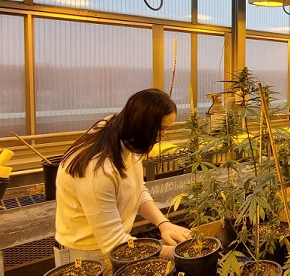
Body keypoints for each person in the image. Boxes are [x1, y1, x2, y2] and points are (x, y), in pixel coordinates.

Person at [54, 88, 191, 266]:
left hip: (114, 246)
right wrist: (175, 253)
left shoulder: (124, 135)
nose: (162, 136)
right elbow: (114, 244)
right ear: (143, 126)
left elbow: (138, 191)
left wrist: (164, 224)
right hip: (83, 255)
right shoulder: (98, 172)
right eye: (161, 129)